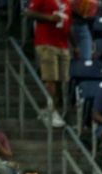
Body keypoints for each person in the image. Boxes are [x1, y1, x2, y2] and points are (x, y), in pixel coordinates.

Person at [26, 0, 71, 128]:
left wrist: (75, 44)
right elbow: (29, 13)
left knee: (61, 80)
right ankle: (51, 111)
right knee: (50, 78)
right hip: (46, 41)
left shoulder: (67, 2)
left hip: (62, 44)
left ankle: (51, 109)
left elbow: (68, 24)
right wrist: (49, 17)